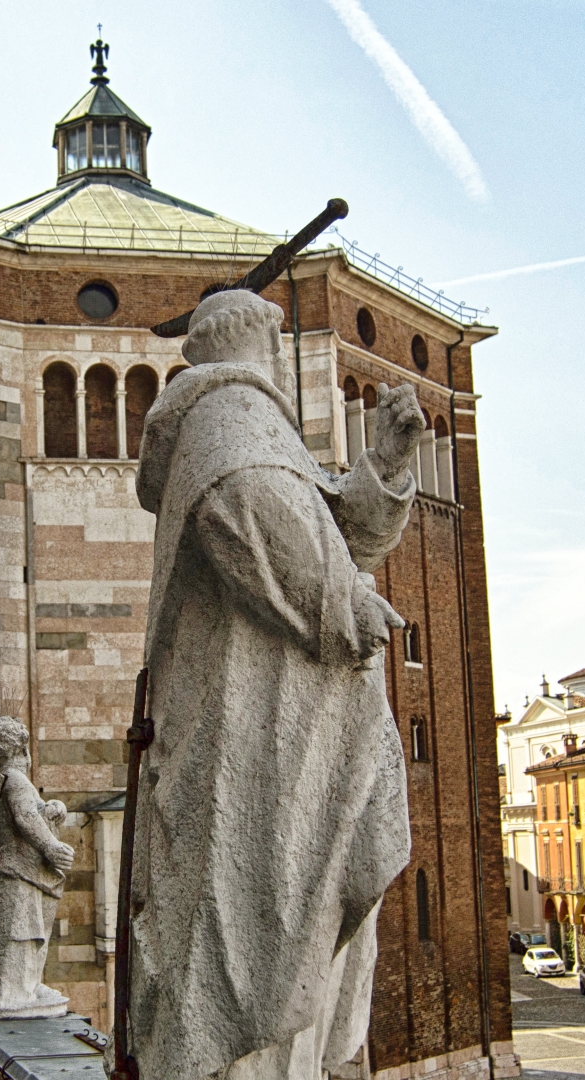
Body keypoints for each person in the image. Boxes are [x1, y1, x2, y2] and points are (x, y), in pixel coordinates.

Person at [128, 289, 421, 1079]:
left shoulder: (254, 424)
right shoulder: (225, 417)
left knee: (297, 928)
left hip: (296, 730)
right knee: (255, 933)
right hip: (256, 731)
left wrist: (386, 463)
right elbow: (247, 514)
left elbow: (335, 533)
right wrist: (341, 610)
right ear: (263, 344)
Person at [0, 717, 74, 1018]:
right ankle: (9, 993)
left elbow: (32, 812)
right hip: (21, 868)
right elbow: (25, 817)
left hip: (20, 867)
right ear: (20, 748)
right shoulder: (15, 780)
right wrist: (51, 847)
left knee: (31, 927)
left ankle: (28, 985)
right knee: (21, 929)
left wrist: (51, 809)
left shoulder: (1, 777)